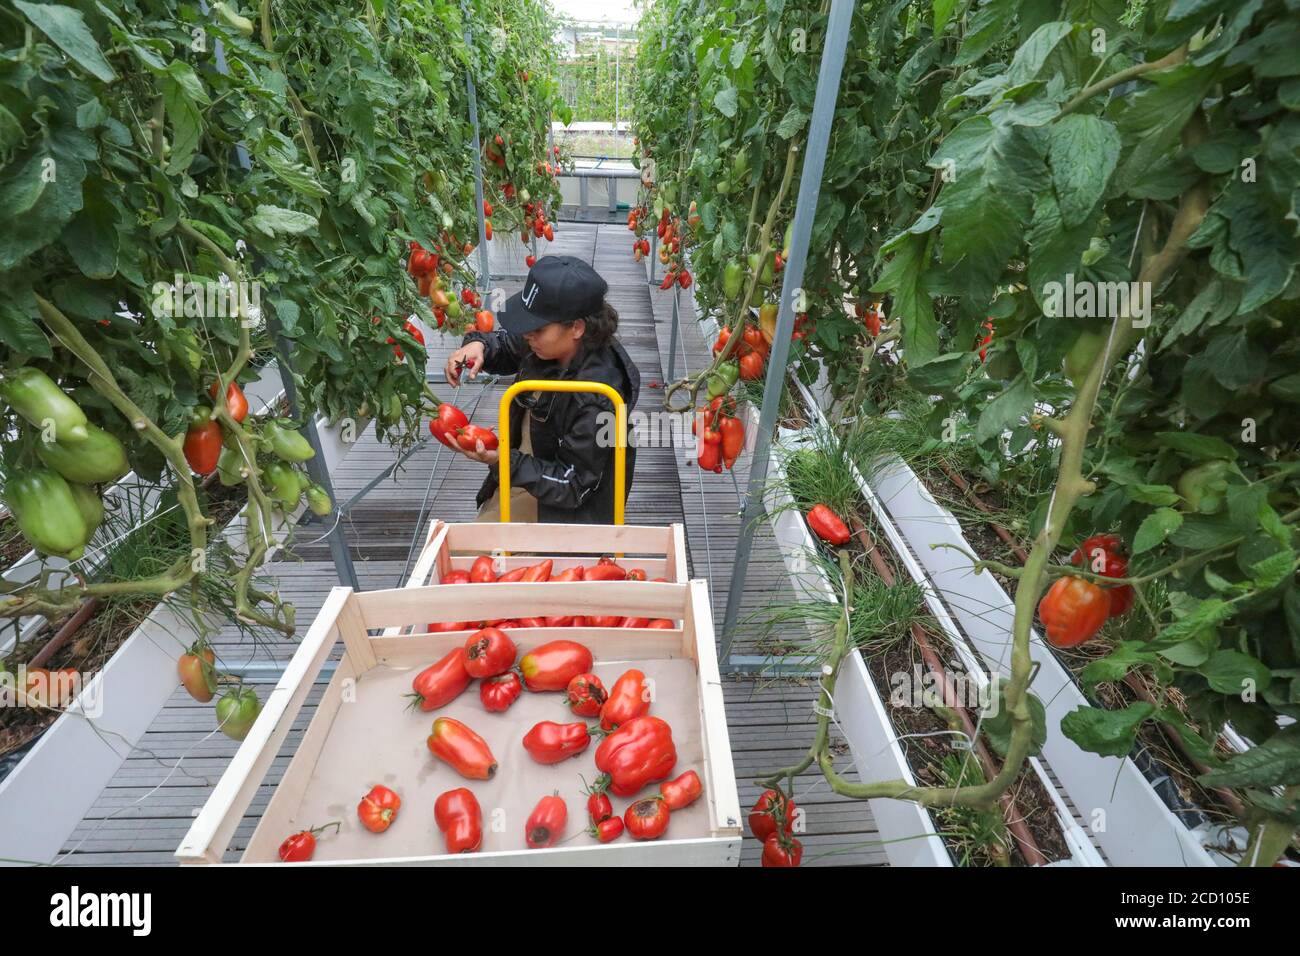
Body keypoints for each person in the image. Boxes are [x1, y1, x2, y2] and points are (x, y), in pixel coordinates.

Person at [444, 255, 639, 524]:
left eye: (535, 327)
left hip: (563, 511)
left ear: (577, 328)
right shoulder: (546, 343)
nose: (527, 335)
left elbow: (573, 484)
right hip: (527, 473)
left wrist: (504, 461)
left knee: (475, 550)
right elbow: (507, 344)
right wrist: (479, 346)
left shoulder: (598, 399)